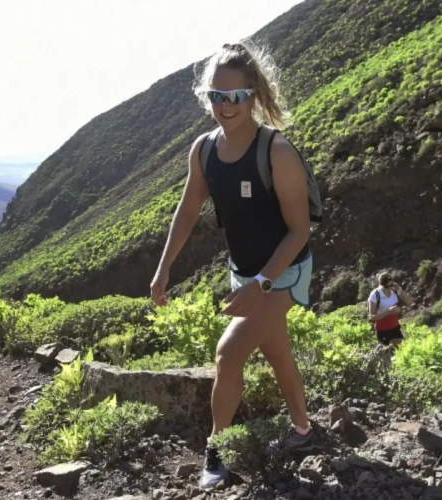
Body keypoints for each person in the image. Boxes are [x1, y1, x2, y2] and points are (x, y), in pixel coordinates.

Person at [149, 40, 315, 490]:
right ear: (207, 97)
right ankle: (303, 431)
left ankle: (217, 452)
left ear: (254, 95)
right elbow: (186, 211)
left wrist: (261, 283)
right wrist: (164, 268)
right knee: (277, 351)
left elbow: (299, 231)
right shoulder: (203, 151)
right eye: (217, 96)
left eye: (237, 96)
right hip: (246, 272)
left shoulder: (276, 152)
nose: (227, 105)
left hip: (284, 269)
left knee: (228, 353)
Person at [367, 272, 414, 347]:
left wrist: (399, 289)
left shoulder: (394, 291)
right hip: (382, 330)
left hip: (395, 327)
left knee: (402, 350)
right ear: (381, 285)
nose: (389, 288)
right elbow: (371, 316)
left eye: (392, 285)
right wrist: (388, 312)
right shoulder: (375, 295)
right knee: (385, 353)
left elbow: (410, 303)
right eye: (386, 287)